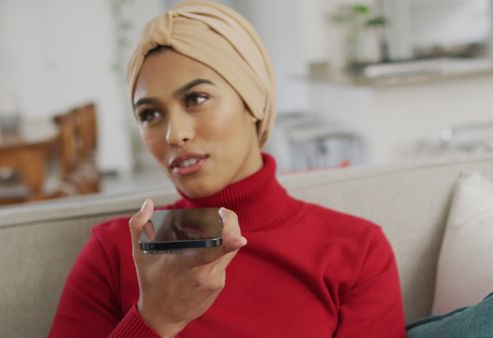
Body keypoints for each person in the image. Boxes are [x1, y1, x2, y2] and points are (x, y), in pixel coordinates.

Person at [49, 1, 405, 337]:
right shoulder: (113, 252)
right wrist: (157, 319)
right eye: (150, 114)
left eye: (196, 99)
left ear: (254, 101)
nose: (175, 134)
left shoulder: (356, 251)